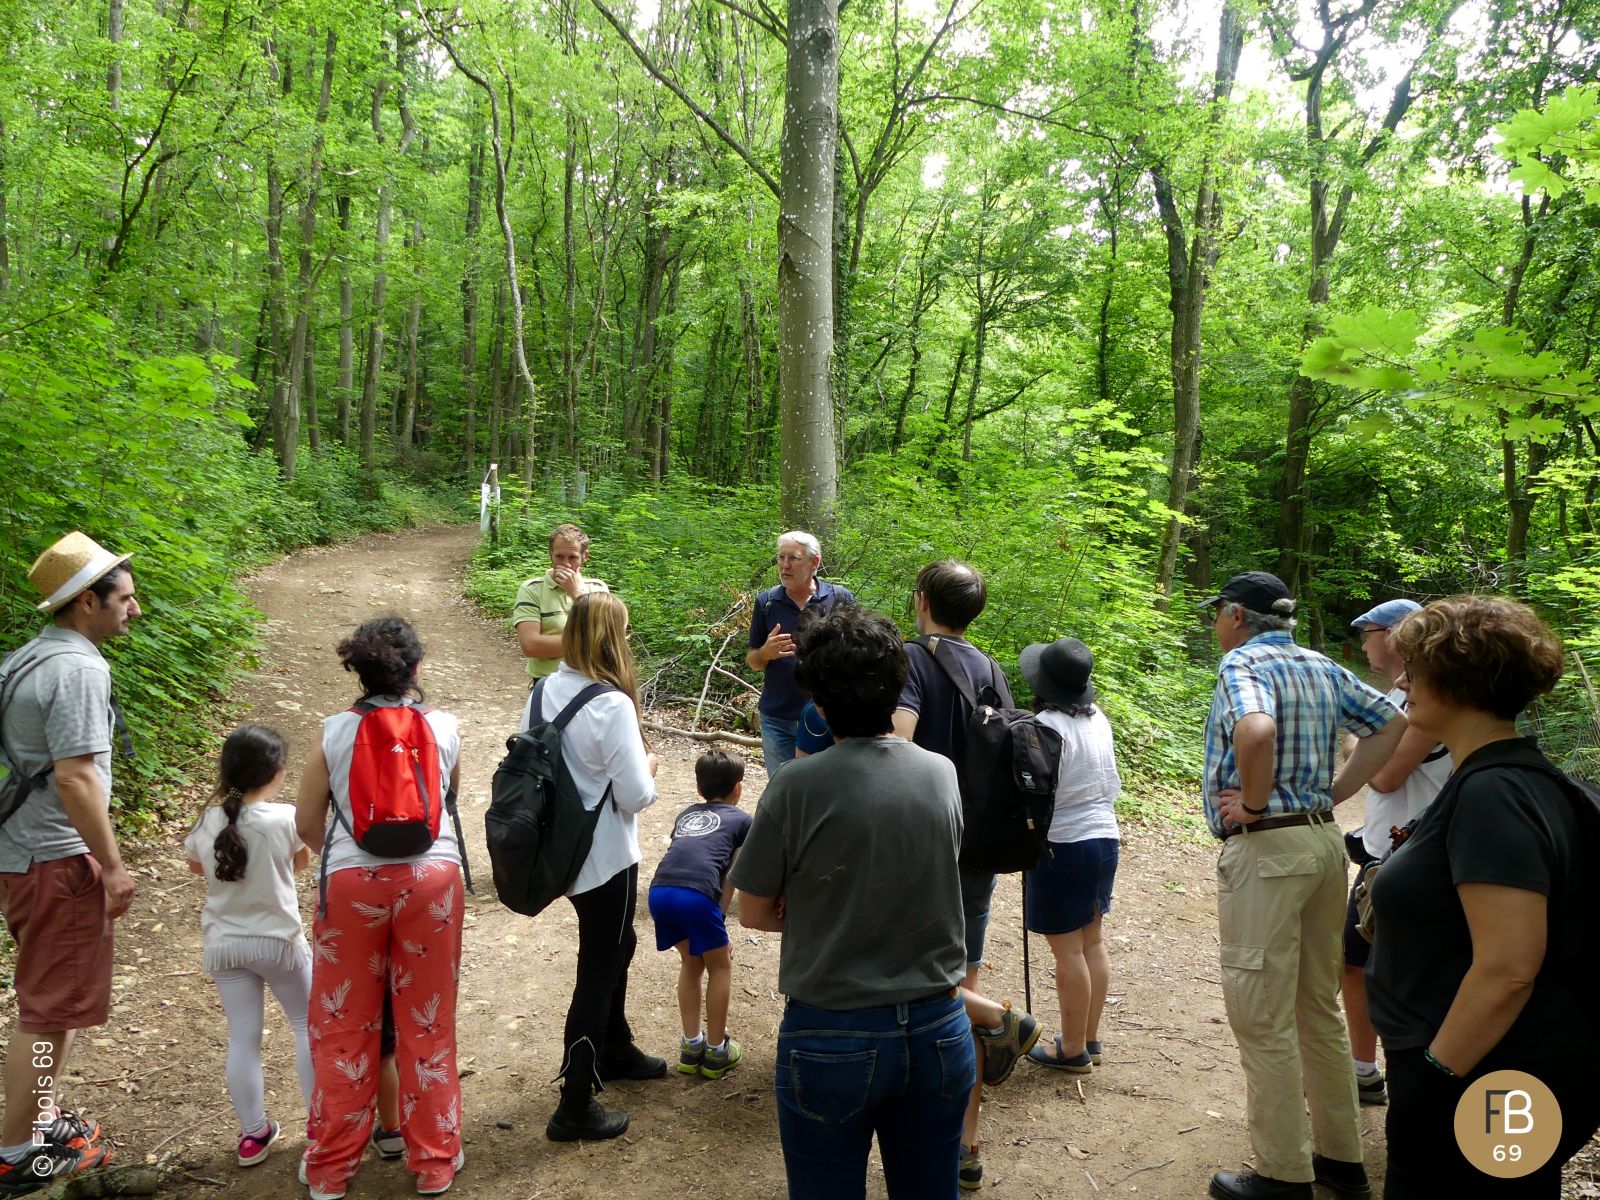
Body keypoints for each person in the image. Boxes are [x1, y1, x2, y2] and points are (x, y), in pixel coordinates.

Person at [732, 605, 975, 1200]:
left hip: (829, 1032)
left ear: (813, 697)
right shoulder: (940, 773)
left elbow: (754, 909)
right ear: (898, 682)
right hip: (939, 1028)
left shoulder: (796, 784)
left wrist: (814, 902)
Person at [1368, 597, 1600, 1199]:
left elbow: (1507, 968)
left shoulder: (1495, 795)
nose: (1400, 681)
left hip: (1480, 1078)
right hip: (1496, 1070)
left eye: (1413, 670)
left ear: (1458, 677)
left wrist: (1434, 1074)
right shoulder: (1516, 780)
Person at [1200, 570, 1405, 1200]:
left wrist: (1256, 805)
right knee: (1316, 1005)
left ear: (1236, 615)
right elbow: (1390, 727)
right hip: (1319, 844)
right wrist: (1336, 794)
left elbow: (1255, 730)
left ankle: (1282, 1172)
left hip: (1268, 851)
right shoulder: (1319, 665)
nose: (1215, 625)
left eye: (1218, 614)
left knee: (1261, 1013)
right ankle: (1341, 1160)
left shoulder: (1243, 664)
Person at [295, 617, 466, 1199]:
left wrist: (351, 863)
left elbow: (306, 824)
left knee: (344, 1024)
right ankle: (435, 1160)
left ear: (359, 671)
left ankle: (330, 1169)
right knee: (427, 1021)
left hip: (351, 885)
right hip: (434, 881)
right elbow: (446, 802)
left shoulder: (333, 733)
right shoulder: (443, 727)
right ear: (415, 670)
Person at [889, 560, 1038, 1192]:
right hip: (979, 847)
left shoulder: (909, 661)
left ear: (920, 600)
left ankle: (993, 1019)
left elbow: (897, 742)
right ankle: (966, 1149)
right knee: (959, 976)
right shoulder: (991, 670)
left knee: (908, 974)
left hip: (925, 846)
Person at [0, 532, 139, 1193]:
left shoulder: (24, 660)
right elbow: (76, 776)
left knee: (57, 1000)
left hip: (22, 851)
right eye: (126, 599)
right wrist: (110, 865)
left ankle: (43, 1116)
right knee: (49, 1007)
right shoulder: (80, 668)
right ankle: (17, 1150)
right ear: (89, 602)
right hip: (56, 858)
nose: (134, 611)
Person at [526, 592, 662, 1143]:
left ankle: (615, 1042)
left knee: (616, 946)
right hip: (606, 856)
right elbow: (635, 796)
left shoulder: (540, 692)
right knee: (598, 967)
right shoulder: (611, 704)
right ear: (612, 637)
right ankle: (575, 1102)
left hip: (559, 852)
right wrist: (649, 767)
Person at [182, 725, 314, 1168]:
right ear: (275, 771)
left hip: (226, 945)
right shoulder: (284, 818)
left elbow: (196, 866)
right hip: (279, 941)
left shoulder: (207, 820)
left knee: (244, 1037)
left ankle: (253, 1134)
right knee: (305, 1026)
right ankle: (320, 1122)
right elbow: (301, 861)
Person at [1339, 598, 1452, 1107]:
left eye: (1367, 633)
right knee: (1355, 963)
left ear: (1393, 635)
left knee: (1394, 976)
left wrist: (1356, 744)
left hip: (1408, 861)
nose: (1364, 644)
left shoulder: (1427, 704)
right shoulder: (1404, 695)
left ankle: (1415, 1085)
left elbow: (1381, 774)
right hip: (1385, 855)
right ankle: (1366, 1072)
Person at [1018, 638, 1121, 1075]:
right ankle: (1089, 1039)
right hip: (1105, 838)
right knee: (1092, 941)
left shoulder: (1043, 726)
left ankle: (1072, 1048)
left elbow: (1034, 793)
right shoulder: (1098, 718)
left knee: (1068, 952)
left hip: (1063, 843)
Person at [646, 749, 753, 1080]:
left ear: (698, 788)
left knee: (692, 963)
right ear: (738, 788)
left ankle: (691, 1046)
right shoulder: (743, 821)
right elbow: (731, 876)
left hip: (660, 892)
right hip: (697, 896)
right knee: (720, 966)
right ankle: (717, 1051)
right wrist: (719, 922)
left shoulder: (686, 814)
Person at [745, 531, 854, 776]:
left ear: (814, 562)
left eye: (793, 558)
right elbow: (753, 662)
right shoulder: (767, 602)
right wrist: (766, 652)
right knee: (783, 791)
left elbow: (857, 654)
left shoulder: (839, 598)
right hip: (778, 718)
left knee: (827, 789)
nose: (784, 566)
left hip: (829, 716)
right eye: (781, 558)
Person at [512, 523, 609, 681]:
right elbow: (530, 646)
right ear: (550, 554)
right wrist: (589, 643)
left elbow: (608, 641)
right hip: (547, 683)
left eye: (572, 557)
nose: (565, 564)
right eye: (559, 556)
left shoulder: (598, 589)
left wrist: (577, 594)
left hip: (592, 682)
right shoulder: (532, 590)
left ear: (584, 557)